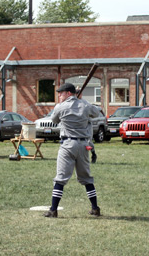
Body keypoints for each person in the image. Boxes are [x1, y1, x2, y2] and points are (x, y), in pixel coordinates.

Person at [44, 83, 102, 218]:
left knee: (60, 178)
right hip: (83, 145)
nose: (59, 95)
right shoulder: (85, 105)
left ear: (68, 93)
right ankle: (95, 208)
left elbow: (54, 120)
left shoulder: (60, 107)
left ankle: (53, 210)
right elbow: (97, 111)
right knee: (86, 178)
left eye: (61, 93)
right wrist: (81, 99)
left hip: (67, 144)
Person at [76, 86, 97, 163]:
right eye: (77, 93)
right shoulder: (72, 103)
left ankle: (93, 154)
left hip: (87, 124)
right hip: (78, 125)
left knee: (88, 141)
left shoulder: (85, 103)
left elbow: (94, 112)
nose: (78, 95)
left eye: (79, 93)